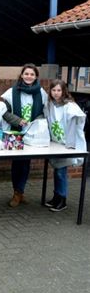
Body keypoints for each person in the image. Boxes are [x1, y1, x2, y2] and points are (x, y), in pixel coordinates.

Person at [1, 63, 48, 207]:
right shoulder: (11, 92)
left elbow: (44, 112)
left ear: (36, 77)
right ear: (21, 75)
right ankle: (17, 192)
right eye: (26, 74)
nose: (29, 76)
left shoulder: (42, 93)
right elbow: (4, 112)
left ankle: (19, 192)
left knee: (26, 164)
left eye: (32, 74)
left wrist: (35, 122)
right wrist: (18, 120)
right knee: (17, 164)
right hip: (16, 133)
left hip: (32, 133)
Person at [44, 79, 87, 212]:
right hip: (56, 143)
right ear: (50, 91)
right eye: (53, 90)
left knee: (61, 172)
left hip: (67, 144)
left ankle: (62, 200)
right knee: (57, 171)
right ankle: (57, 196)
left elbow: (78, 120)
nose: (56, 93)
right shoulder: (50, 104)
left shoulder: (70, 106)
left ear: (63, 91)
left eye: (59, 90)